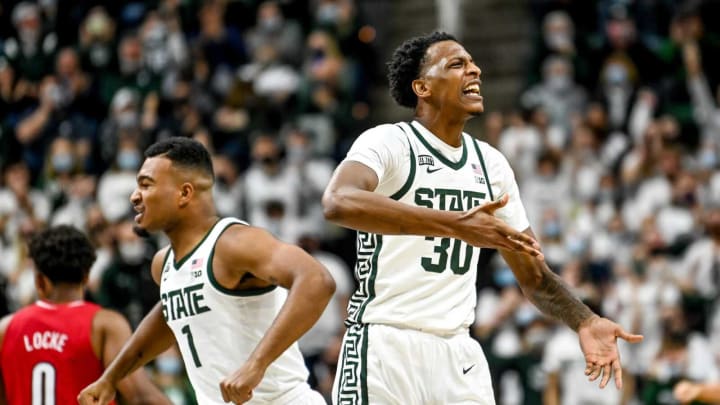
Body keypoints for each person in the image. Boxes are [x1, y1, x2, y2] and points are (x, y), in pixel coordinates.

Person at [322, 31, 644, 404]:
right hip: (384, 342)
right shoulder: (388, 142)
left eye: (473, 63)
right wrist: (455, 224)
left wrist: (585, 320)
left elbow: (534, 276)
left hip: (458, 350)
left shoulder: (491, 164)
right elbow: (337, 201)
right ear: (422, 87)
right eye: (457, 64)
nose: (474, 70)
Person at [78, 137, 335, 405]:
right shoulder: (162, 264)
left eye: (146, 184)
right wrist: (111, 377)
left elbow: (316, 280)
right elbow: (170, 313)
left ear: (185, 193)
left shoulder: (234, 242)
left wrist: (256, 364)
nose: (134, 196)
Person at [0, 225, 171, 405]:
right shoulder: (103, 324)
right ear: (87, 276)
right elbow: (140, 396)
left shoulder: (5, 328)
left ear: (39, 281)